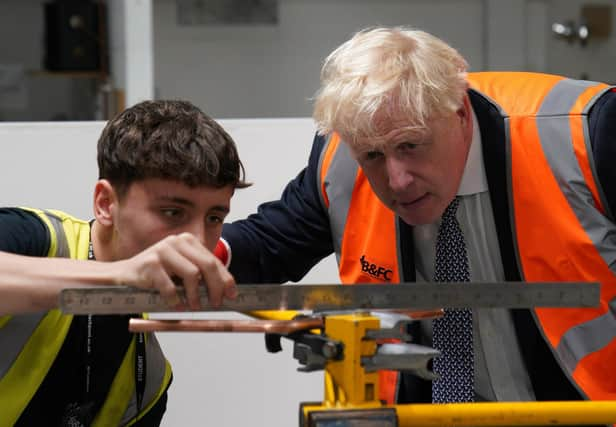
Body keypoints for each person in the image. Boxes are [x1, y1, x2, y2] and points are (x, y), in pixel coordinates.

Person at [220, 26, 616, 408]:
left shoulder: (587, 135)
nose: (397, 180)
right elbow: (266, 246)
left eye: (410, 145)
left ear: (460, 112)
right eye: (373, 156)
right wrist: (204, 257)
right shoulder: (340, 159)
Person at [0, 99, 248, 426]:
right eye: (172, 212)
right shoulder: (33, 239)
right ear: (105, 204)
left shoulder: (148, 383)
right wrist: (118, 275)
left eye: (215, 217)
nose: (197, 241)